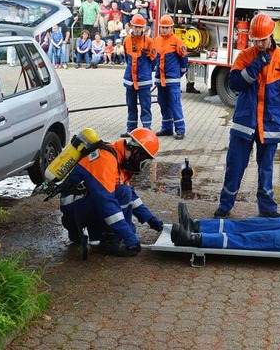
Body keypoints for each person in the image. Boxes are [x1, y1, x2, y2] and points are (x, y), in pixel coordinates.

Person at [214, 13, 280, 219]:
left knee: (266, 168)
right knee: (235, 164)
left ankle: (267, 207)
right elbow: (235, 84)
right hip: (245, 122)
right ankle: (225, 205)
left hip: (270, 122)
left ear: (271, 35)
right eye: (255, 40)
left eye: (263, 39)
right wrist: (255, 65)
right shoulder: (244, 57)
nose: (259, 43)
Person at [59, 128, 164, 257]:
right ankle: (109, 238)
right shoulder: (105, 160)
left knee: (124, 192)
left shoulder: (119, 159)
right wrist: (129, 238)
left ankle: (105, 235)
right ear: (138, 154)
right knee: (120, 196)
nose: (142, 166)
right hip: (73, 210)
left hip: (87, 203)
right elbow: (106, 203)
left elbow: (131, 196)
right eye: (144, 162)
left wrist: (150, 218)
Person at [152, 15, 188, 140]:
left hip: (172, 79)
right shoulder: (156, 40)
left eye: (167, 28)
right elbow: (153, 58)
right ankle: (167, 128)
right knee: (163, 103)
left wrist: (180, 73)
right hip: (160, 79)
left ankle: (180, 129)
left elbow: (184, 59)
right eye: (163, 27)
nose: (164, 30)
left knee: (175, 104)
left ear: (171, 27)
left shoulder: (177, 40)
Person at [122, 14, 156, 135]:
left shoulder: (149, 41)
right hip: (130, 79)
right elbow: (127, 59)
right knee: (131, 105)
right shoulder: (126, 40)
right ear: (131, 26)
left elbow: (154, 60)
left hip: (144, 79)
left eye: (139, 27)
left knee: (145, 105)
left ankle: (146, 129)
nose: (137, 29)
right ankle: (131, 129)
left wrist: (145, 70)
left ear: (144, 28)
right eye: (135, 26)